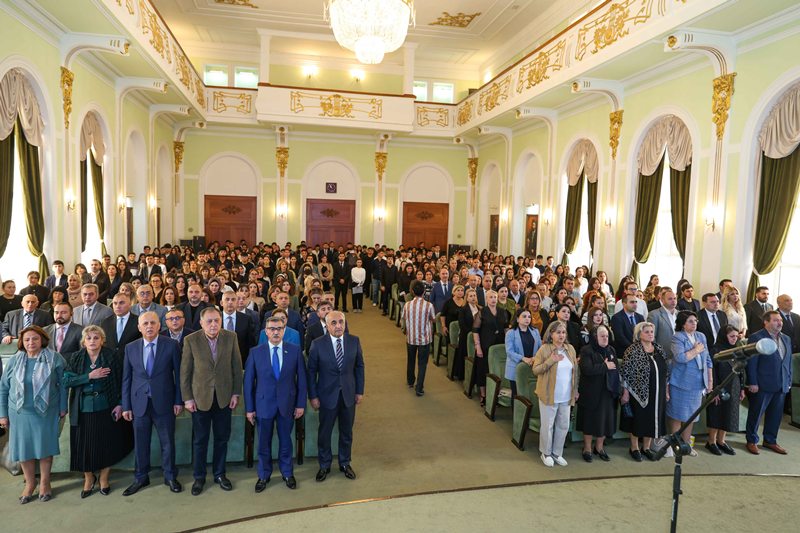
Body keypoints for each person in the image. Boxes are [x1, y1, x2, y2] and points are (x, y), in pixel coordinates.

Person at [0, 326, 67, 503]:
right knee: (24, 449)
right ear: (22, 342)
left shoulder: (55, 358)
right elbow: (3, 388)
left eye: (35, 338)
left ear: (42, 340)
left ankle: (45, 482)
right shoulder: (14, 360)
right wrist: (2, 414)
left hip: (46, 412)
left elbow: (63, 385)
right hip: (19, 413)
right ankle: (30, 483)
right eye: (27, 339)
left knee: (45, 448)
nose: (31, 342)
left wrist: (63, 407)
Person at [181, 307, 243, 495]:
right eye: (209, 321)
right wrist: (187, 398)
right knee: (200, 440)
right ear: (201, 323)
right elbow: (185, 372)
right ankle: (199, 477)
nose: (214, 324)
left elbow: (237, 367)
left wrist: (236, 393)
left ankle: (219, 474)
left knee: (222, 438)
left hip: (224, 398)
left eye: (217, 320)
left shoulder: (231, 337)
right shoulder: (190, 340)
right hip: (200, 399)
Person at [121, 312, 184, 496]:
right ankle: (141, 477)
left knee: (167, 442)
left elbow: (179, 375)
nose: (149, 326)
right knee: (141, 443)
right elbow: (126, 378)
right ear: (139, 327)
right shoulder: (130, 348)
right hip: (139, 404)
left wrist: (178, 400)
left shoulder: (171, 345)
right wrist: (126, 406)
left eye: (152, 323)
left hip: (165, 402)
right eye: (145, 323)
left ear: (159, 325)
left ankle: (170, 476)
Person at [63, 326, 130, 497]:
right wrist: (89, 376)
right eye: (89, 338)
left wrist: (120, 404)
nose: (92, 341)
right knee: (84, 445)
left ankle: (104, 478)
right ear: (83, 341)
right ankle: (88, 478)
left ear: (102, 340)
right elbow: (66, 381)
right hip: (82, 408)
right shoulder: (76, 357)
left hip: (107, 406)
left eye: (96, 337)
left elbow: (123, 381)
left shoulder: (112, 356)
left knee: (106, 443)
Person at [244, 315, 307, 492]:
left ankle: (287, 473)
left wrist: (300, 404)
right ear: (266, 331)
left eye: (279, 329)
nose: (276, 332)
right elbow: (248, 383)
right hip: (263, 405)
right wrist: (250, 409)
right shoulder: (256, 352)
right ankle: (264, 475)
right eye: (272, 329)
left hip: (287, 404)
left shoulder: (294, 351)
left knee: (286, 442)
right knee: (263, 443)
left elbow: (302, 380)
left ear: (284, 330)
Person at [307, 311, 365, 482]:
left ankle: (345, 463)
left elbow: (359, 367)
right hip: (326, 396)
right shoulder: (318, 344)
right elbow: (311, 372)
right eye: (334, 323)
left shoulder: (354, 341)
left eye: (341, 322)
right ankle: (324, 465)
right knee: (325, 432)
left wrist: (359, 391)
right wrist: (313, 396)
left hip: (348, 395)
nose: (338, 326)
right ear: (327, 325)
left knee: (347, 432)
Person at [745, 311, 793, 455]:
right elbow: (752, 362)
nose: (780, 323)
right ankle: (752, 441)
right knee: (756, 414)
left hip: (781, 383)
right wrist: (752, 382)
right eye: (775, 320)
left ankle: (770, 440)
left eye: (780, 320)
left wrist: (789, 380)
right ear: (766, 322)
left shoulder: (786, 338)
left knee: (776, 415)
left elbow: (788, 361)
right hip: (762, 384)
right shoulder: (756, 337)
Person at [620, 322, 669, 462]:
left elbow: (666, 372)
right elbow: (625, 373)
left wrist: (666, 391)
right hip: (638, 393)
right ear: (639, 334)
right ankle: (634, 448)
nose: (650, 334)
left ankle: (646, 448)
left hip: (658, 392)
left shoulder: (659, 348)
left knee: (652, 420)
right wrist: (625, 393)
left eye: (651, 331)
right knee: (638, 420)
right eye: (646, 332)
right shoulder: (632, 350)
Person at [532, 321, 578, 467]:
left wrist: (575, 390)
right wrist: (551, 360)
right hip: (548, 394)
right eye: (558, 332)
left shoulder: (570, 349)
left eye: (563, 332)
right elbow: (536, 370)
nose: (561, 335)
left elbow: (575, 371)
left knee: (563, 425)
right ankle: (545, 453)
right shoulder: (544, 349)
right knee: (548, 425)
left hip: (566, 395)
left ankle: (557, 453)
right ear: (551, 334)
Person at [667, 311, 713, 457]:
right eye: (690, 321)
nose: (694, 324)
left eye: (695, 321)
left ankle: (686, 445)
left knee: (691, 416)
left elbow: (708, 359)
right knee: (677, 415)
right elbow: (680, 358)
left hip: (698, 382)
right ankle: (675, 445)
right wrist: (696, 350)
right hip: (681, 382)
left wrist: (710, 381)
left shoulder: (701, 336)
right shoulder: (677, 337)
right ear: (683, 324)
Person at [576, 325, 618, 462]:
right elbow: (587, 369)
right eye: (602, 336)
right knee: (589, 421)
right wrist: (605, 366)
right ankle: (587, 448)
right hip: (591, 392)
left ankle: (599, 448)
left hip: (607, 392)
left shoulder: (611, 350)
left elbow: (615, 368)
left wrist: (604, 368)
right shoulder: (586, 350)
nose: (605, 338)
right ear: (595, 337)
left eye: (607, 336)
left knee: (604, 422)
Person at [705, 325, 745, 456]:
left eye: (736, 336)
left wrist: (742, 388)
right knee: (716, 414)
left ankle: (721, 441)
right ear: (724, 336)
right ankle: (711, 441)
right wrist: (714, 391)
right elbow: (711, 371)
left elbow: (741, 370)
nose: (734, 339)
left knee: (729, 414)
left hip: (734, 387)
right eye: (731, 336)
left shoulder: (737, 350)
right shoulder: (715, 350)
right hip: (719, 387)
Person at [473, 290, 509, 407]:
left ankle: (496, 394)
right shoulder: (482, 312)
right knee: (483, 369)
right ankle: (483, 394)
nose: (493, 299)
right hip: (485, 344)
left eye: (495, 297)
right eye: (491, 297)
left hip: (499, 343)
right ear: (487, 299)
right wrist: (477, 346)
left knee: (497, 370)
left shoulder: (502, 311)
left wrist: (509, 343)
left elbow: (506, 328)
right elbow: (475, 330)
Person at [402, 282, 435, 397]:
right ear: (424, 292)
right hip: (424, 339)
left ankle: (410, 381)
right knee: (422, 364)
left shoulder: (407, 305)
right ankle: (419, 388)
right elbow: (433, 319)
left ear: (412, 292)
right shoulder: (429, 305)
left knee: (411, 360)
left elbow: (404, 318)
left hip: (411, 338)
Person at [504, 309, 542, 401]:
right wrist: (523, 358)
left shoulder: (535, 331)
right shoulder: (511, 333)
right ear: (517, 319)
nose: (527, 319)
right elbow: (509, 351)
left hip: (532, 365)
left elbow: (540, 349)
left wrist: (534, 358)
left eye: (529, 317)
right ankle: (516, 410)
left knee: (529, 393)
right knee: (516, 394)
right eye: (524, 316)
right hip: (515, 366)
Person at [649, 288, 679, 360]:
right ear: (662, 300)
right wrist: (657, 353)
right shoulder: (654, 314)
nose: (673, 301)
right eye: (670, 299)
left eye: (675, 298)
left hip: (679, 353)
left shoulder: (680, 314)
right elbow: (652, 337)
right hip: (663, 354)